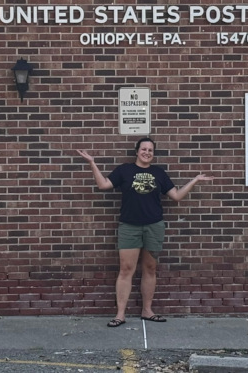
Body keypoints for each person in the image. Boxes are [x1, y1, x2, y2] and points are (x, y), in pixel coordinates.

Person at [77, 138, 211, 327]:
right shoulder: (125, 170)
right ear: (137, 151)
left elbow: (176, 196)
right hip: (129, 226)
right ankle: (120, 315)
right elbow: (104, 185)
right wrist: (92, 163)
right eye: (143, 149)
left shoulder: (159, 173)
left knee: (150, 269)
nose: (147, 152)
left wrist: (195, 180)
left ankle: (147, 311)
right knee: (126, 270)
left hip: (154, 226)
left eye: (150, 150)